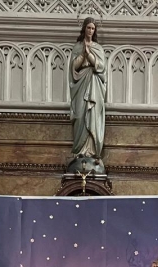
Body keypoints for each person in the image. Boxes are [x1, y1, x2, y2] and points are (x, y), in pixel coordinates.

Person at [68, 17, 107, 162]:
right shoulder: (77, 47)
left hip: (94, 83)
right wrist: (83, 54)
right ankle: (80, 149)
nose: (90, 30)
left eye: (93, 28)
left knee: (93, 115)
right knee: (80, 115)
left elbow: (101, 67)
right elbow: (73, 67)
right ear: (84, 28)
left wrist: (89, 55)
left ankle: (91, 151)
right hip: (81, 81)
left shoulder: (98, 48)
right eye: (88, 27)